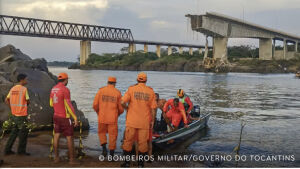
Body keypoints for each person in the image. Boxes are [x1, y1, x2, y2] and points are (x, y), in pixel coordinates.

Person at [121, 72, 157, 168]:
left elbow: (122, 102)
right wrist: (152, 121)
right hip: (144, 122)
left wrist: (127, 108)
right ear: (146, 80)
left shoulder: (131, 89)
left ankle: (127, 163)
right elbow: (153, 109)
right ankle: (141, 165)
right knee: (143, 144)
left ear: (137, 80)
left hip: (131, 121)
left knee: (128, 141)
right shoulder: (150, 91)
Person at [50, 73, 79, 164]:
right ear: (65, 80)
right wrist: (75, 118)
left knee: (56, 135)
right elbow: (69, 105)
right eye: (67, 80)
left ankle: (56, 158)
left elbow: (51, 103)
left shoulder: (53, 88)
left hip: (56, 116)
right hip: (64, 117)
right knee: (69, 137)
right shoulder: (65, 89)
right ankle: (71, 160)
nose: (67, 81)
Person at [93, 76, 124, 157]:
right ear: (114, 83)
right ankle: (112, 154)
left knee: (101, 133)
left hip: (102, 117)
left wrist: (98, 113)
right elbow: (121, 108)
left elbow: (95, 105)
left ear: (107, 82)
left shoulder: (101, 91)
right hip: (112, 118)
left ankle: (104, 149)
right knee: (113, 135)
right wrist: (118, 114)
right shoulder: (117, 92)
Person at [4, 74, 30, 156]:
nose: (27, 81)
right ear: (21, 80)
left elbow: (6, 100)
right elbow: (28, 101)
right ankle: (21, 151)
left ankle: (7, 149)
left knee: (14, 132)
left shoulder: (13, 88)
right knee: (23, 132)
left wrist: (12, 108)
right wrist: (26, 104)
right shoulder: (24, 89)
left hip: (14, 114)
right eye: (26, 79)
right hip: (21, 115)